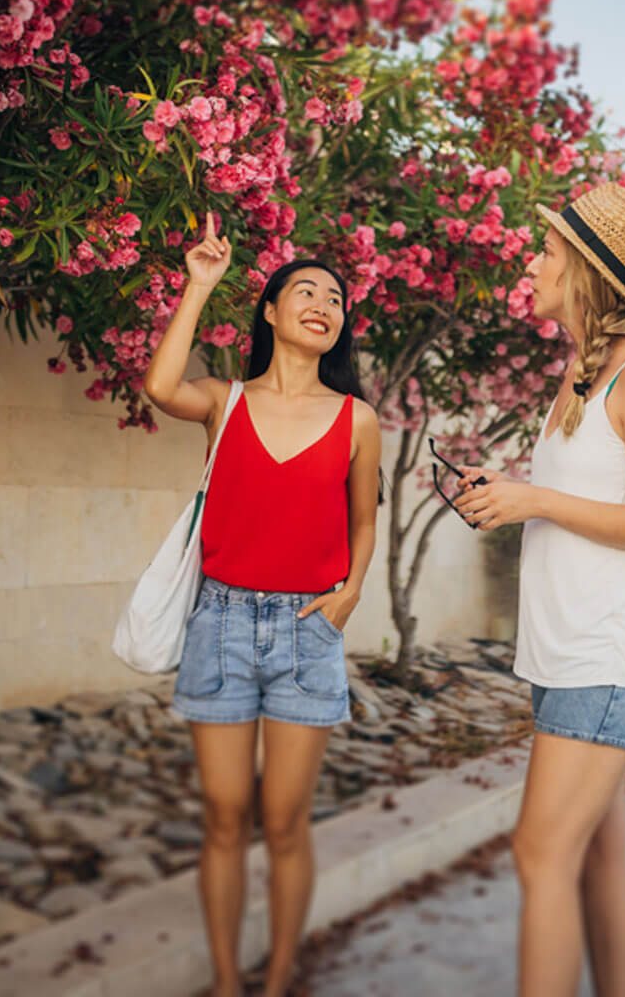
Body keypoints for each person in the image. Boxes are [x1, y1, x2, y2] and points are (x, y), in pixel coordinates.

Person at [452, 183, 625, 997]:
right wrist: (511, 492)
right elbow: (594, 498)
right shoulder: (584, 372)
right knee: (595, 855)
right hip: (569, 655)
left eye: (547, 251)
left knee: (538, 853)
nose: (532, 261)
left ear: (585, 271)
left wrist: (538, 499)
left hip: (609, 657)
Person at [141, 215, 382, 997]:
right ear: (271, 313)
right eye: (303, 290)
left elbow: (365, 519)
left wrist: (351, 591)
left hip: (307, 631)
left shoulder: (357, 420)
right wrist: (200, 283)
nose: (323, 302)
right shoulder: (225, 400)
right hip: (220, 623)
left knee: (283, 823)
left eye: (336, 298)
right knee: (222, 816)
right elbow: (158, 386)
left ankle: (277, 981)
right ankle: (224, 980)